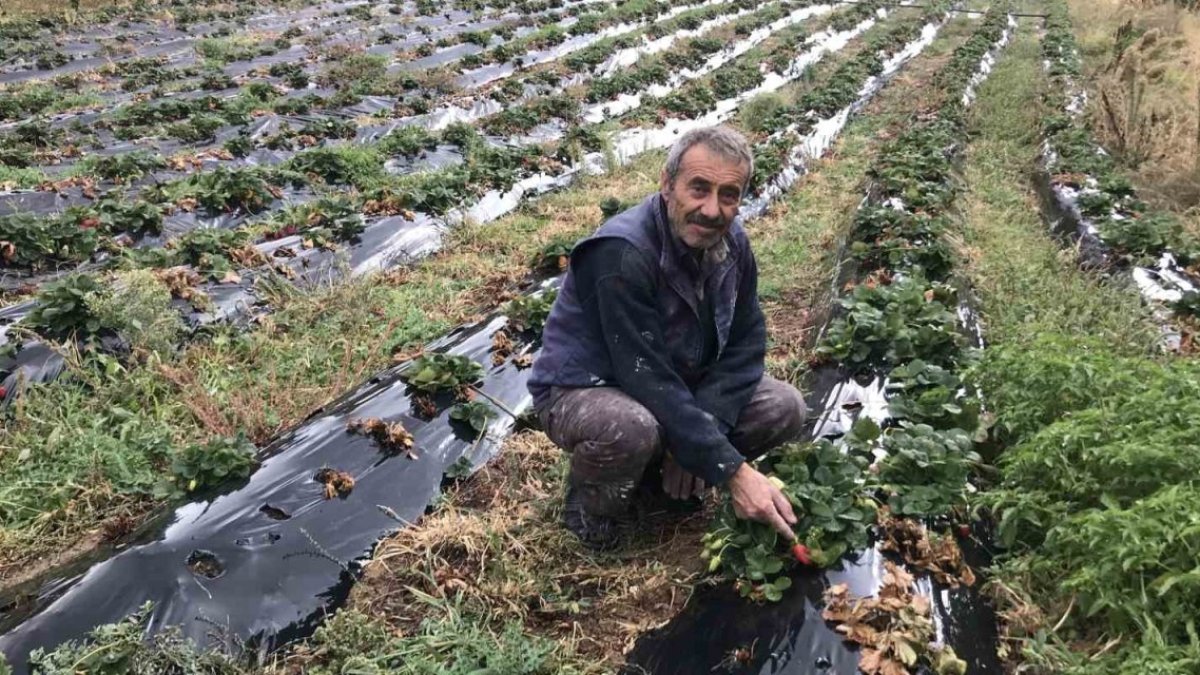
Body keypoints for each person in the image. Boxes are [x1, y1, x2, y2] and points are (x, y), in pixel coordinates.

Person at [528, 125, 809, 549]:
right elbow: (645, 376)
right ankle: (589, 510)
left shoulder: (733, 244)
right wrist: (731, 470)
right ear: (666, 184)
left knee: (784, 407)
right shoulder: (621, 253)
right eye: (698, 188)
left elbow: (747, 344)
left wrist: (703, 432)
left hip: (675, 381)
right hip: (590, 386)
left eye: (728, 195)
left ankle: (662, 478)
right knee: (631, 428)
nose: (712, 210)